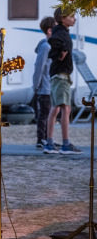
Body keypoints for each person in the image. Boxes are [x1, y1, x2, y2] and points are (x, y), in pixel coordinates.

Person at [43, 8, 83, 155]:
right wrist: (64, 48)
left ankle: (49, 143)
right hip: (61, 75)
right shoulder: (60, 32)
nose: (74, 19)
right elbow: (52, 40)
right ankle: (66, 145)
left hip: (57, 75)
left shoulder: (60, 31)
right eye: (71, 16)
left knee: (56, 109)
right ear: (62, 18)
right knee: (66, 108)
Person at [33, 16, 57, 148]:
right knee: (44, 113)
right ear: (49, 31)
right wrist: (36, 86)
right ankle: (41, 139)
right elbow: (39, 67)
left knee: (50, 113)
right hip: (45, 87)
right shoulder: (45, 47)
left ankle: (49, 138)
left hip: (51, 86)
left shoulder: (51, 46)